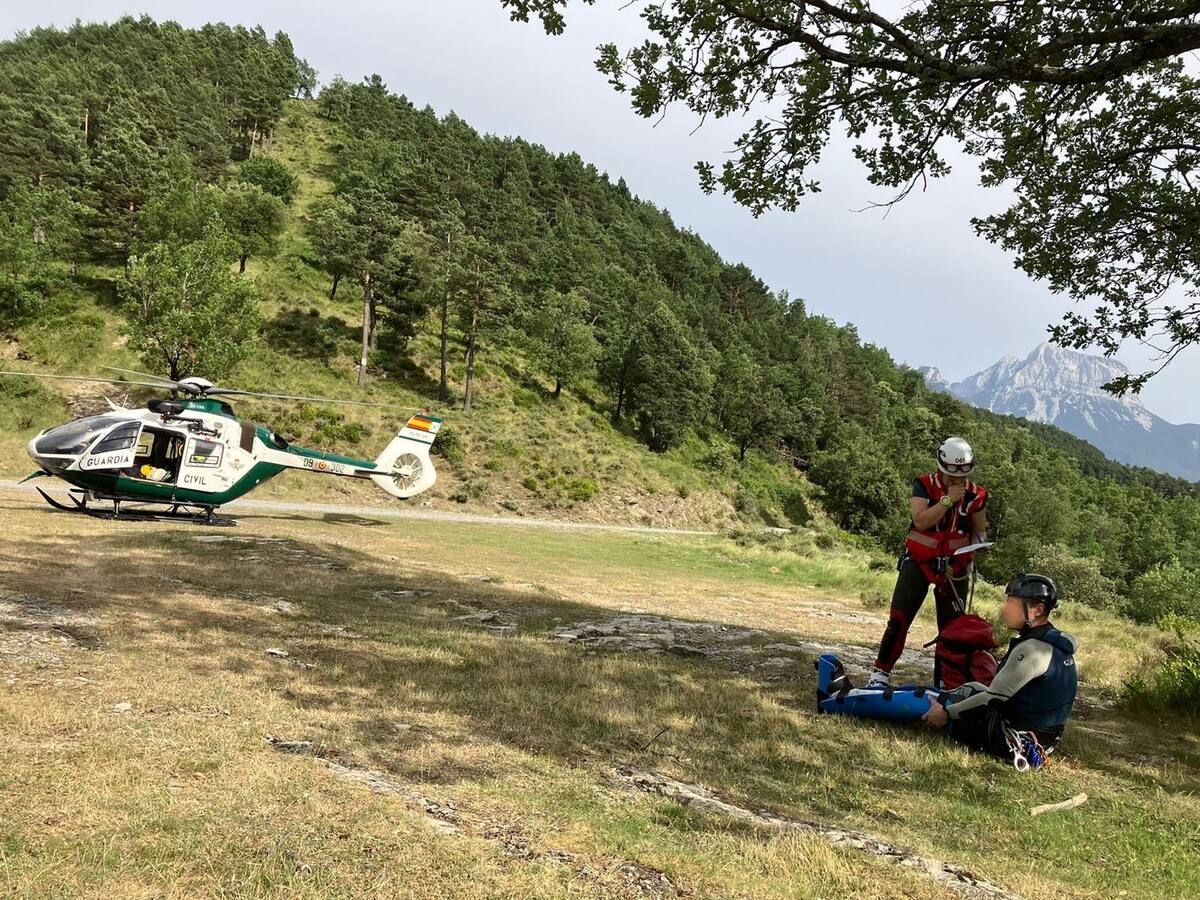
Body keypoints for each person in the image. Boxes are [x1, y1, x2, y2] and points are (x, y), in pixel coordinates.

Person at [865, 437, 988, 689]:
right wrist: (947, 500)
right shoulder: (923, 485)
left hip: (954, 571)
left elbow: (979, 529)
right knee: (899, 619)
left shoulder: (977, 495)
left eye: (963, 475)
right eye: (952, 475)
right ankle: (880, 675)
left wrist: (979, 543)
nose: (958, 481)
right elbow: (920, 521)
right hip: (919, 563)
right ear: (941, 468)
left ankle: (947, 683)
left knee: (952, 630)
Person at [923, 574, 1078, 762]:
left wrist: (946, 714)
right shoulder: (1053, 639)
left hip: (1019, 742)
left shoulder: (1033, 649)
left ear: (1038, 610)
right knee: (970, 689)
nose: (1005, 609)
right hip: (1043, 737)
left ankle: (879, 703)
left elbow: (991, 700)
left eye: (1012, 603)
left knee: (924, 702)